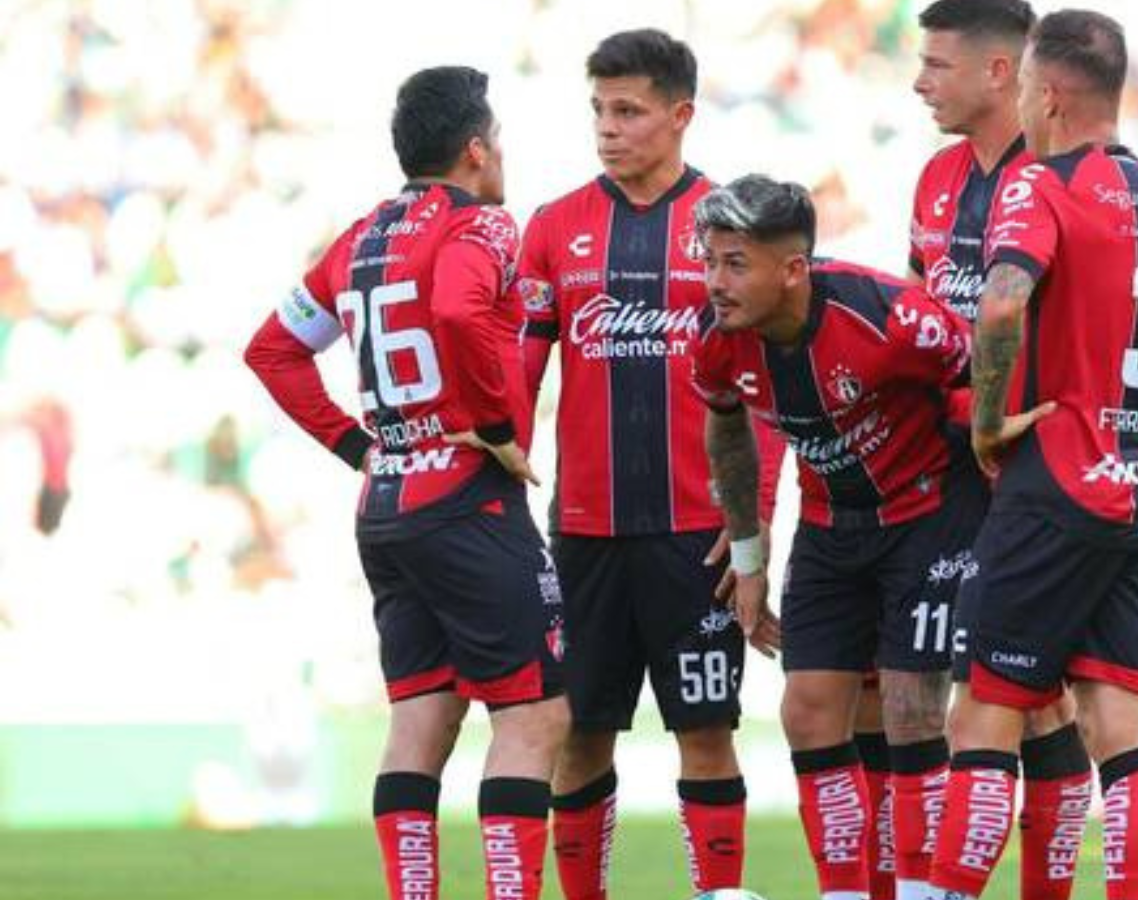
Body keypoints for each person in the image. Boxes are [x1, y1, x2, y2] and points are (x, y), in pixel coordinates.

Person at [925, 11, 1138, 900]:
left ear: (1050, 93)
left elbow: (1001, 305)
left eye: (1029, 90)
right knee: (1119, 726)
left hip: (1054, 487)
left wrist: (990, 421)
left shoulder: (1039, 186)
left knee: (984, 721)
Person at [244, 66, 568, 900]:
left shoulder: (359, 238)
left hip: (386, 505)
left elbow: (271, 350)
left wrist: (360, 447)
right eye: (497, 139)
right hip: (466, 497)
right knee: (533, 717)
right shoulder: (484, 224)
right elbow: (461, 310)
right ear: (474, 149)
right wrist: (496, 428)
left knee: (421, 721)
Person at [691, 175, 1052, 900]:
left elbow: (981, 369)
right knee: (807, 709)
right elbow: (727, 428)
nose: (714, 283)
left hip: (929, 516)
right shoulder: (720, 344)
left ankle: (920, 891)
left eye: (734, 264)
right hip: (829, 526)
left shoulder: (888, 318)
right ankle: (846, 893)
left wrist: (1002, 495)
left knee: (912, 706)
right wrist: (751, 553)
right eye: (709, 261)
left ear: (792, 269)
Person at [512, 29, 779, 899]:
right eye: (598, 109)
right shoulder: (554, 228)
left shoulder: (733, 230)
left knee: (705, 729)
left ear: (680, 115)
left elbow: (767, 387)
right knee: (580, 732)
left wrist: (751, 525)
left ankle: (719, 892)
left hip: (695, 534)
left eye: (627, 110)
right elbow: (519, 370)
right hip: (585, 533)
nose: (608, 127)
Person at [901, 3, 1094, 898]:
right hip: (943, 467)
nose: (919, 81)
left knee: (1010, 693)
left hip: (1030, 465)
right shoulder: (936, 177)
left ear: (996, 72)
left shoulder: (1060, 176)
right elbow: (920, 310)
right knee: (961, 690)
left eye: (938, 64)